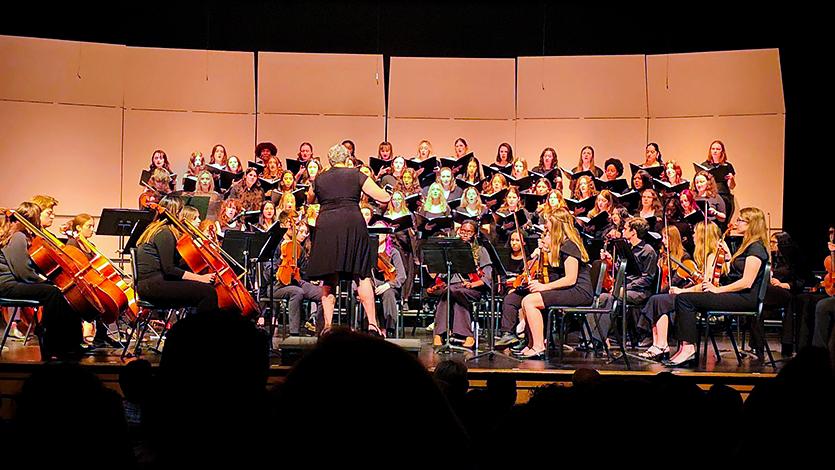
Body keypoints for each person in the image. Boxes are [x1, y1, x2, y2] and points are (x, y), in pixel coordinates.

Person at [305, 144, 391, 335]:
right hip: (352, 223)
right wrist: (389, 191)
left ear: (330, 160)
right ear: (347, 158)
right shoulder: (356, 174)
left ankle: (327, 326)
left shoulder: (320, 177)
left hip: (327, 226)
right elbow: (383, 196)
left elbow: (310, 198)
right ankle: (372, 324)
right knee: (361, 274)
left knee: (329, 278)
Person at [670, 207, 770, 367]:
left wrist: (717, 290)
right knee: (684, 299)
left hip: (746, 298)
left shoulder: (756, 248)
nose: (737, 222)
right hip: (740, 296)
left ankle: (688, 347)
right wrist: (729, 258)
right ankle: (684, 347)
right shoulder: (747, 245)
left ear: (751, 224)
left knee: (685, 299)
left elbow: (747, 282)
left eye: (740, 220)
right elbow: (737, 271)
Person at [0, 202, 85, 359]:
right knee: (52, 293)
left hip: (11, 283)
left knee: (59, 293)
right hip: (6, 285)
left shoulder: (18, 234)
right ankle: (56, 345)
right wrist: (45, 282)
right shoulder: (18, 236)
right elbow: (22, 272)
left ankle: (69, 344)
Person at [509, 209, 594, 359]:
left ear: (557, 226)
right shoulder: (562, 245)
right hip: (571, 289)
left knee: (530, 301)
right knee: (527, 299)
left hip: (579, 291)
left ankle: (539, 346)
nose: (546, 229)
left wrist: (543, 287)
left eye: (548, 226)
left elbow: (571, 279)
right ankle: (531, 344)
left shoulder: (570, 245)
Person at [639, 223, 718, 360]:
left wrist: (681, 291)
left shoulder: (709, 256)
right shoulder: (701, 256)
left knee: (660, 300)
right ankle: (658, 343)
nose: (692, 236)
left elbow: (706, 285)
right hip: (691, 293)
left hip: (700, 296)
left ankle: (662, 345)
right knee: (657, 299)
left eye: (695, 233)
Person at [134, 197, 219, 314]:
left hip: (153, 283)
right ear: (175, 213)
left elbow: (175, 263)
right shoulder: (164, 233)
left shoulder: (158, 229)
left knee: (203, 290)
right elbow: (169, 269)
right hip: (153, 286)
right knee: (208, 292)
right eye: (180, 211)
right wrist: (201, 278)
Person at [587, 217, 658, 346]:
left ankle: (599, 339)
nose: (623, 231)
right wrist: (609, 260)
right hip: (622, 288)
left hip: (639, 291)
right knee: (600, 297)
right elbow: (618, 268)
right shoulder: (625, 247)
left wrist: (625, 287)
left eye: (625, 229)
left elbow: (647, 278)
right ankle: (589, 337)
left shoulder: (648, 251)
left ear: (633, 232)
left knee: (612, 297)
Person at [430, 220, 493, 349]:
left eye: (469, 232)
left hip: (473, 288)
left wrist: (472, 285)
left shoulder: (481, 251)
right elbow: (442, 274)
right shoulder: (451, 250)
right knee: (450, 292)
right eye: (462, 231)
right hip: (452, 286)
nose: (464, 234)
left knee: (454, 292)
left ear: (475, 234)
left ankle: (442, 333)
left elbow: (487, 276)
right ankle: (459, 335)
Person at [270, 218, 323, 337]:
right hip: (277, 285)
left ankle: (319, 331)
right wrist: (282, 264)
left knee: (323, 294)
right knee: (297, 292)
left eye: (305, 232)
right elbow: (268, 270)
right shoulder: (278, 245)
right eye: (300, 231)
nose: (303, 235)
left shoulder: (300, 249)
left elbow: (304, 271)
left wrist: (313, 277)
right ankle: (294, 333)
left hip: (297, 281)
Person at [702, 140, 737, 222]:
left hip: (723, 195)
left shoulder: (727, 166)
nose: (715, 151)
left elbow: (731, 186)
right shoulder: (705, 165)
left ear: (722, 151)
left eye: (718, 149)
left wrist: (731, 179)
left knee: (722, 223)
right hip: (709, 196)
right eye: (713, 148)